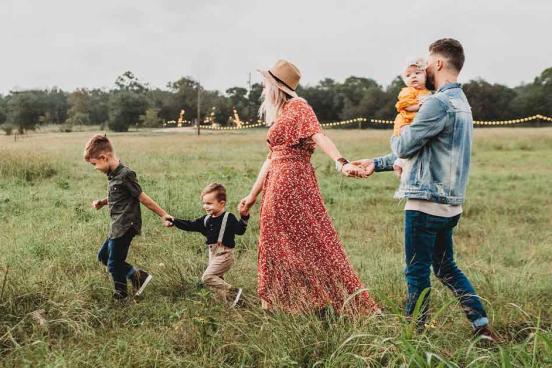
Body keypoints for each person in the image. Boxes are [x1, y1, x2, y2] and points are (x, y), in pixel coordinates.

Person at [353, 39, 499, 341]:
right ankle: (481, 326)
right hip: (450, 204)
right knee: (446, 268)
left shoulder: (436, 103)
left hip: (424, 203)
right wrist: (377, 163)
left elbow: (406, 145)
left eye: (428, 64)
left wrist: (400, 130)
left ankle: (413, 335)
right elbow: (425, 151)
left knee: (416, 271)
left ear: (440, 64)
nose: (425, 69)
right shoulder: (462, 103)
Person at [239, 59, 379, 314]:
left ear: (276, 87)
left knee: (312, 241)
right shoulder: (282, 114)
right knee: (274, 242)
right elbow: (270, 158)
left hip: (292, 182)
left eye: (266, 85)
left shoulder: (299, 107)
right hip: (276, 183)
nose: (262, 90)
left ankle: (324, 300)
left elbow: (318, 135)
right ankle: (277, 303)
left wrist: (341, 162)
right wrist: (251, 196)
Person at [84, 134, 172, 299]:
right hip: (116, 225)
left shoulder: (125, 174)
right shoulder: (113, 174)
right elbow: (119, 196)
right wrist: (102, 202)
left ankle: (124, 291)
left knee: (113, 264)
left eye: (94, 164)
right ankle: (135, 279)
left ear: (104, 157)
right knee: (104, 256)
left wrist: (163, 215)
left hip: (126, 226)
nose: (94, 168)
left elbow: (142, 197)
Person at [165, 183, 247, 307]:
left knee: (208, 277)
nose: (205, 206)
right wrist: (174, 221)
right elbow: (190, 225)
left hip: (225, 254)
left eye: (209, 203)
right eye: (204, 203)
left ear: (222, 203)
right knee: (218, 281)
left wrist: (244, 217)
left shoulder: (228, 218)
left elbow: (240, 230)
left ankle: (234, 292)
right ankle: (227, 305)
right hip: (212, 253)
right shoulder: (206, 219)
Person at [392, 57, 431, 178]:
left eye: (417, 73)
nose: (413, 76)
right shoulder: (408, 91)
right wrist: (420, 106)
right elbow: (406, 106)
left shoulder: (427, 92)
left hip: (416, 123)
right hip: (405, 122)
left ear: (425, 75)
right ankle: (400, 163)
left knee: (417, 146)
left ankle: (400, 163)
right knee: (409, 142)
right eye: (408, 75)